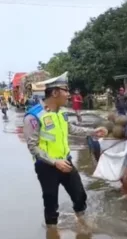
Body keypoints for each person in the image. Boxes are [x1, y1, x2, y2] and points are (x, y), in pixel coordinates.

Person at [22, 72, 108, 229]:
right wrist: (55, 162)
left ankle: (81, 221)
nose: (69, 94)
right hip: (46, 166)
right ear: (55, 92)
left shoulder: (62, 112)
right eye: (66, 90)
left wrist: (93, 132)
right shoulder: (33, 116)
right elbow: (32, 146)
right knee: (50, 202)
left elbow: (71, 129)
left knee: (80, 196)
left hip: (66, 162)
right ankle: (53, 233)